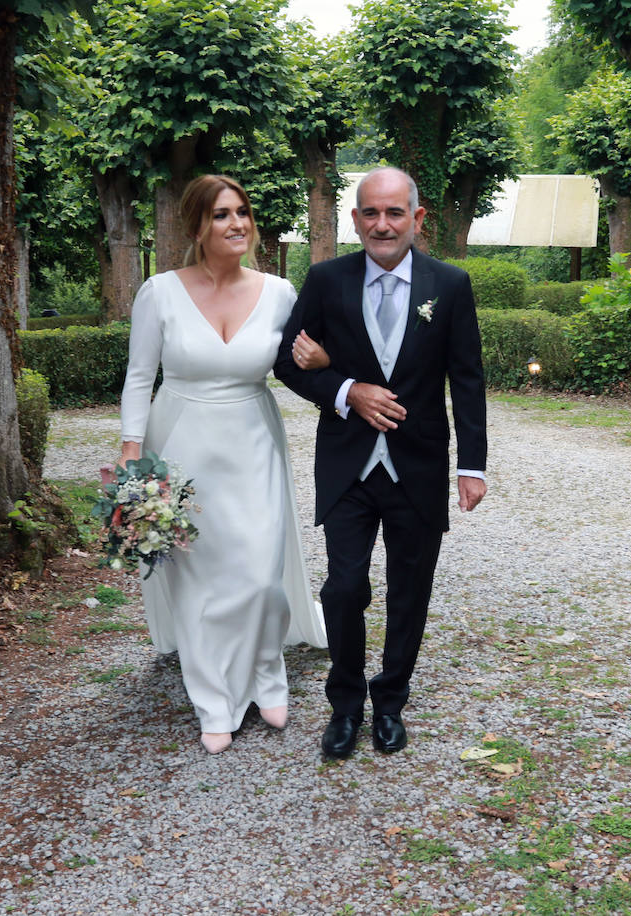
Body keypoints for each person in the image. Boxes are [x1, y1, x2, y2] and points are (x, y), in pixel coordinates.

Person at [274, 166, 487, 759]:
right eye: (371, 212)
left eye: (395, 213)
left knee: (410, 589)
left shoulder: (450, 284)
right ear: (355, 220)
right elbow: (288, 364)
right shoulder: (325, 280)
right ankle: (344, 706)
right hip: (348, 466)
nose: (382, 224)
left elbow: (466, 381)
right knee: (344, 587)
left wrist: (473, 465)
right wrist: (347, 390)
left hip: (418, 465)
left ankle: (390, 700)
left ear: (417, 219)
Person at [118, 174, 328, 755]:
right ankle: (214, 699)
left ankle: (266, 675)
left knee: (261, 573)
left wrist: (326, 358)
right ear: (196, 227)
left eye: (241, 212)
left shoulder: (281, 293)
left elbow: (304, 364)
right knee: (199, 578)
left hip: (253, 437)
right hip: (180, 438)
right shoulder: (159, 292)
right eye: (220, 215)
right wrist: (132, 453)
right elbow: (140, 377)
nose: (236, 224)